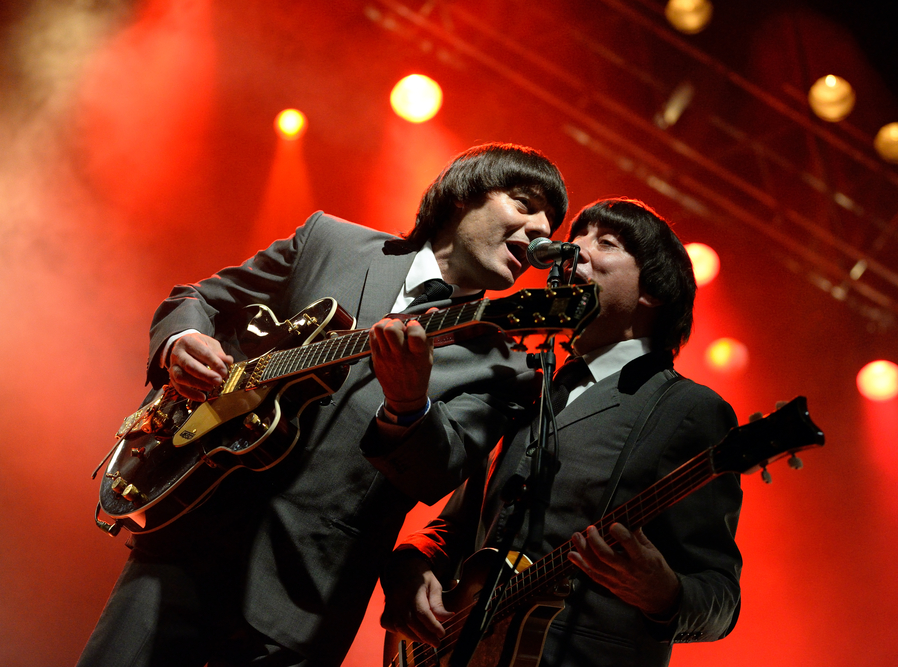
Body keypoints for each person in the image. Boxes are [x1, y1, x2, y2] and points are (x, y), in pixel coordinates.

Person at [78, 143, 568, 667]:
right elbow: (197, 299)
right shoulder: (328, 240)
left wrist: (408, 406)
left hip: (301, 609)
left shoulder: (505, 363)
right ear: (461, 196)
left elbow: (436, 473)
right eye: (523, 204)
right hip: (182, 549)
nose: (539, 230)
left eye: (550, 227)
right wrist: (181, 344)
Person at [377, 198, 743, 667]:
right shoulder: (528, 388)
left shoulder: (689, 410)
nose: (573, 250)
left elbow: (719, 596)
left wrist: (665, 593)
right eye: (577, 236)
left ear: (652, 289)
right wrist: (411, 565)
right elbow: (456, 527)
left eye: (604, 242)